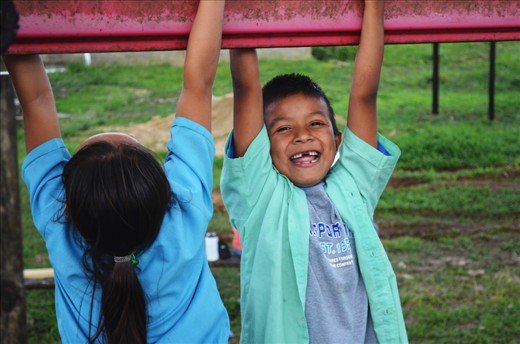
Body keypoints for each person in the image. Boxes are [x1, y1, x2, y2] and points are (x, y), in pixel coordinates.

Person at [3, 1, 229, 343]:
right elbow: (198, 84)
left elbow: (34, 101)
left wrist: (9, 22)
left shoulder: (60, 223)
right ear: (165, 193)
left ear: (67, 204)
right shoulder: (184, 208)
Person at [221, 0, 408, 343]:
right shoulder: (261, 195)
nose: (302, 135)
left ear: (338, 141)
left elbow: (364, 94)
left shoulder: (353, 188)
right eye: (283, 129)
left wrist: (374, 7)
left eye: (316, 124)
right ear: (264, 146)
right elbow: (245, 87)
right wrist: (240, 11)